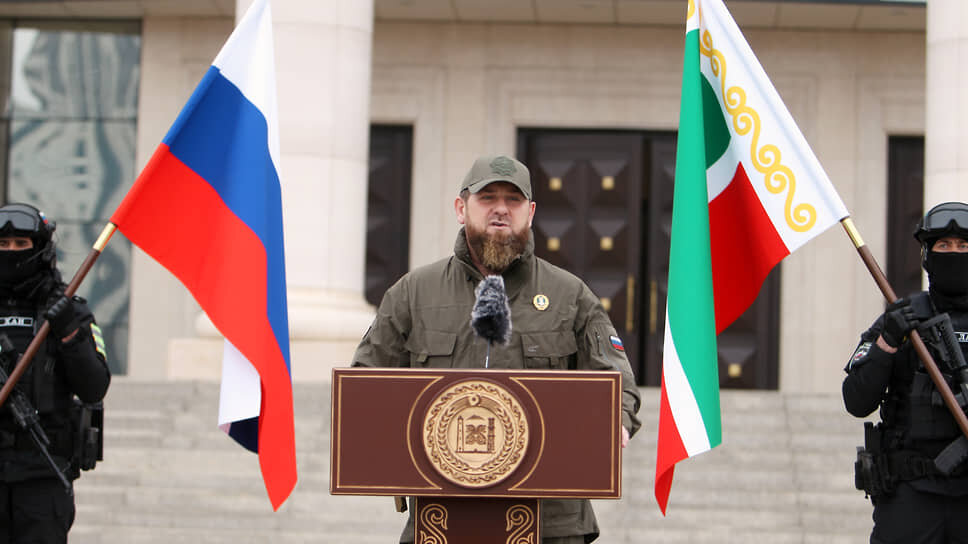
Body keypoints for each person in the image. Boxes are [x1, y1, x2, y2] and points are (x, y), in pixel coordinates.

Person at [352, 154, 642, 544]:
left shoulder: (570, 295)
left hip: (549, 523)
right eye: (488, 197)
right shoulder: (413, 293)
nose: (501, 209)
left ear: (531, 211)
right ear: (461, 207)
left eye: (514, 200)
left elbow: (616, 380)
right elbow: (365, 381)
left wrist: (617, 420)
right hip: (442, 519)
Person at [844, 201, 968, 544]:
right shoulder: (903, 320)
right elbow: (856, 400)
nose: (954, 253)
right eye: (944, 245)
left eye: (963, 246)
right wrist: (887, 341)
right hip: (910, 496)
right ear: (927, 256)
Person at [0, 203, 110, 543]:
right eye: (3, 245)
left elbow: (95, 387)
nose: (12, 252)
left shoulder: (67, 311)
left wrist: (68, 333)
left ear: (41, 249)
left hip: (42, 479)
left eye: (22, 244)